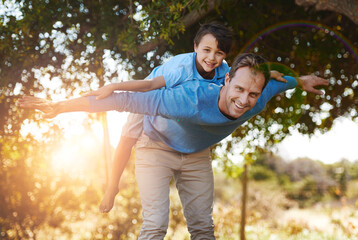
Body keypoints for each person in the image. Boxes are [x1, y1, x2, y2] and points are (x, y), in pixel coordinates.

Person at [18, 53, 328, 239]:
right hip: (155, 145)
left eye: (252, 94)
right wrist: (59, 105)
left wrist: (302, 80)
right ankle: (111, 187)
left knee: (204, 229)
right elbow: (121, 99)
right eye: (240, 89)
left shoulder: (260, 95)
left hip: (195, 154)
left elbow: (284, 81)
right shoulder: (188, 98)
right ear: (226, 80)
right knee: (156, 226)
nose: (244, 100)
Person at [84, 22, 284, 214]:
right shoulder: (180, 67)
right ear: (196, 47)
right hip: (149, 92)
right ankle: (112, 186)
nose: (212, 57)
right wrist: (113, 86)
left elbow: (244, 75)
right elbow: (150, 85)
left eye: (219, 53)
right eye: (206, 50)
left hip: (173, 107)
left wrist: (270, 73)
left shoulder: (223, 69)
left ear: (225, 55)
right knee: (127, 138)